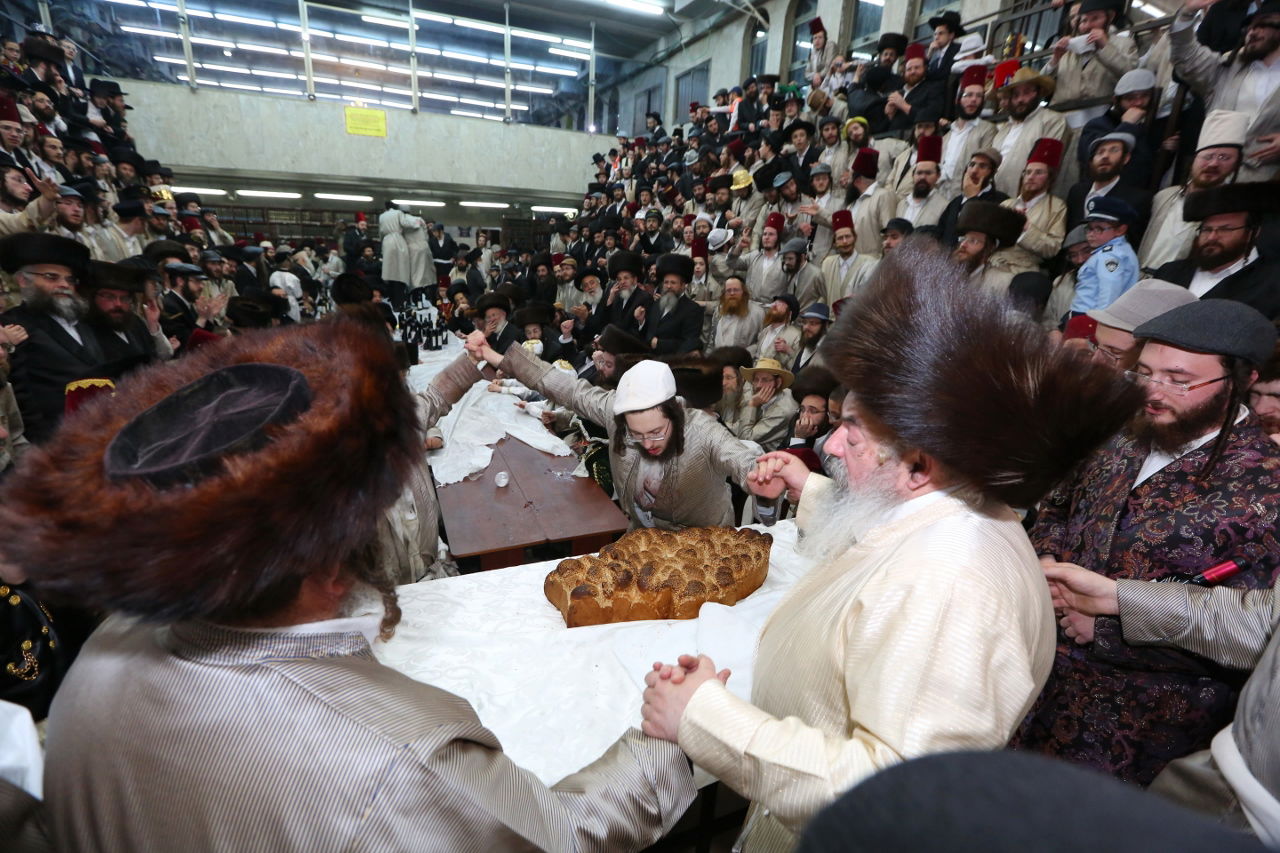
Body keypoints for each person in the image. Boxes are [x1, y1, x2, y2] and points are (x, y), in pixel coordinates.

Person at [0, 316, 696, 850]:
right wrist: (670, 736)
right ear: (334, 557)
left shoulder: (94, 667)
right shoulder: (402, 754)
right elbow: (565, 832)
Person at [639, 243, 1144, 852]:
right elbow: (891, 537)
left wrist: (703, 717)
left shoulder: (951, 586)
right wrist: (811, 490)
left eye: (852, 429)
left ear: (918, 463)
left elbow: (896, 793)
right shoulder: (958, 509)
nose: (831, 445)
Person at [1013, 298, 1280, 785]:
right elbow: (1057, 500)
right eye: (1145, 372)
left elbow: (1260, 633)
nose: (1153, 392)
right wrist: (1048, 559)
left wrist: (1107, 629)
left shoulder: (1266, 486)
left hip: (1140, 734)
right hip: (1035, 680)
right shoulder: (1119, 431)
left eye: (1180, 380)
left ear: (1241, 381)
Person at [467, 331, 759, 530]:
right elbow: (560, 384)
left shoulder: (703, 430)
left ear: (675, 411)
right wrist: (490, 354)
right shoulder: (613, 411)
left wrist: (758, 477)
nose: (647, 444)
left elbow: (742, 461)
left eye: (657, 432)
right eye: (637, 435)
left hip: (706, 544)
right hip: (643, 538)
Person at [0, 232, 101, 444]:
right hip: (54, 441)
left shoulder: (84, 323)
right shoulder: (12, 324)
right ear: (22, 280)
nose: (64, 285)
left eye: (69, 279)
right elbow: (21, 395)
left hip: (98, 431)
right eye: (51, 277)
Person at [1170, 0, 1280, 182]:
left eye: (1262, 26)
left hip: (1263, 186)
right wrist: (1187, 13)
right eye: (1250, 27)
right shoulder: (1225, 69)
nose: (1252, 32)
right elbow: (1186, 56)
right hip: (1210, 179)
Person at [1150, 183, 1280, 320]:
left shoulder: (1272, 283)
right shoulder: (1169, 273)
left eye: (1225, 229)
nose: (1212, 237)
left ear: (1252, 232)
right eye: (1207, 229)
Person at [1140, 110, 1247, 270]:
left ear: (1235, 166)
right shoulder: (1164, 197)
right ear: (1194, 160)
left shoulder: (1227, 212)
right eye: (1208, 156)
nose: (1213, 164)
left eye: (1224, 157)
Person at [991, 64, 1069, 198]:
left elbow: (1048, 167)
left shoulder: (1052, 120)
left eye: (1026, 92)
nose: (1021, 99)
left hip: (1026, 201)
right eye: (1016, 95)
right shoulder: (1003, 129)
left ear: (1038, 93)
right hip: (995, 197)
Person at [995, 139, 1068, 274]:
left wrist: (1026, 228)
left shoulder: (1057, 207)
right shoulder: (1006, 204)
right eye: (1027, 172)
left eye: (1039, 173)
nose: (1030, 177)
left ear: (1050, 177)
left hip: (1023, 270)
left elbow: (1053, 248)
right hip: (993, 264)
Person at [1066, 132, 1153, 244]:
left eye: (1114, 150)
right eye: (1100, 152)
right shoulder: (1077, 192)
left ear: (1126, 158)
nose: (1105, 156)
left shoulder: (1137, 199)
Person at [1069, 195, 1141, 315]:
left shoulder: (1110, 255)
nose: (1091, 234)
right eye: (1089, 228)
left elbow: (1110, 290)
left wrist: (1100, 320)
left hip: (1090, 316)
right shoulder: (1120, 250)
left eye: (1099, 229)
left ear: (1120, 230)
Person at [725, 357, 799, 451]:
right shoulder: (767, 395)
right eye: (756, 379)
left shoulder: (783, 411)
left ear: (778, 382)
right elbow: (741, 425)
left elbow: (745, 438)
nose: (759, 385)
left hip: (769, 457)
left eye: (765, 380)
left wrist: (751, 405)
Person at [636, 253, 703, 354]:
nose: (668, 286)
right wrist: (641, 321)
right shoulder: (657, 303)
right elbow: (649, 333)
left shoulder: (693, 309)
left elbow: (689, 343)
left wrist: (660, 344)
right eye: (666, 282)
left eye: (673, 283)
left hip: (673, 363)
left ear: (683, 285)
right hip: (650, 359)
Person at [953, 200, 1023, 294]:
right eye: (963, 239)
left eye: (973, 241)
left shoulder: (1000, 282)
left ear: (990, 248)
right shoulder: (948, 271)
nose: (963, 244)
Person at [819, 209, 878, 303]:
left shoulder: (869, 263)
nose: (845, 241)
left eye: (848, 236)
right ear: (834, 243)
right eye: (840, 238)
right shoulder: (827, 264)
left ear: (855, 237)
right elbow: (823, 295)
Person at [895, 136, 948, 228]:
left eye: (928, 173)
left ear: (938, 176)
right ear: (913, 175)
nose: (923, 177)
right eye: (919, 173)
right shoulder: (902, 204)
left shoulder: (944, 206)